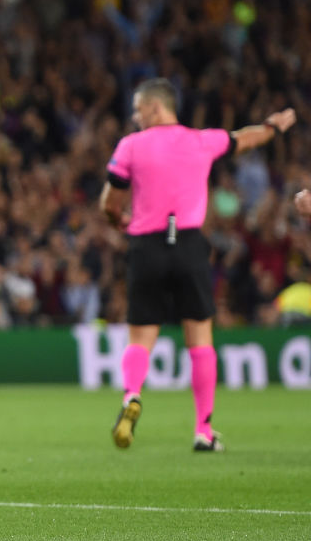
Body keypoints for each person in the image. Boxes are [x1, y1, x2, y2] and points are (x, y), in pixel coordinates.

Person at [100, 77, 296, 452]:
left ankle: (132, 394)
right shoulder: (201, 140)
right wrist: (272, 127)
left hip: (147, 245)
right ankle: (203, 431)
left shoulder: (131, 145)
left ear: (156, 107)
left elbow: (110, 201)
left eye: (139, 109)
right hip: (189, 244)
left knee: (140, 337)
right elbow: (244, 139)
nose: (135, 116)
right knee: (200, 339)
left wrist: (117, 220)